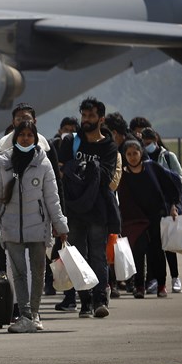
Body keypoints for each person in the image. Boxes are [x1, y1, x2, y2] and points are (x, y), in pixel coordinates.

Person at [0, 121, 68, 333]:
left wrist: (61, 226)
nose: (26, 138)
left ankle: (35, 314)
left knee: (38, 272)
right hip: (10, 227)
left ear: (36, 138)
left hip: (38, 226)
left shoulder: (44, 163)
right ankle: (25, 314)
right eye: (22, 135)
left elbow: (52, 199)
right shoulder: (4, 164)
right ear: (15, 138)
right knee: (18, 273)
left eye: (30, 135)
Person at [56, 97, 120, 317]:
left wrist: (79, 170)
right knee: (77, 257)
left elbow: (106, 176)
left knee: (98, 256)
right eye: (84, 115)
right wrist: (86, 170)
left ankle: (100, 300)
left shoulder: (109, 146)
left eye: (91, 115)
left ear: (101, 119)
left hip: (97, 210)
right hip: (73, 209)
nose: (86, 119)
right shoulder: (71, 142)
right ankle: (84, 301)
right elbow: (61, 172)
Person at [117, 139, 182, 299]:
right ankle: (139, 286)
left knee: (157, 253)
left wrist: (173, 207)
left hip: (156, 217)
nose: (132, 157)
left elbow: (171, 187)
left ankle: (161, 285)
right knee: (138, 253)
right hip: (135, 220)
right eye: (129, 154)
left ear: (141, 153)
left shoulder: (153, 168)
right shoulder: (123, 175)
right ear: (125, 156)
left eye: (135, 153)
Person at [140, 127, 182, 293]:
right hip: (151, 208)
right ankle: (157, 280)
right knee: (154, 247)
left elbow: (180, 180)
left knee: (169, 245)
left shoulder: (167, 156)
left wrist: (180, 206)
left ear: (156, 140)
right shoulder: (142, 157)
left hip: (167, 206)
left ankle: (175, 278)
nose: (147, 145)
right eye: (144, 143)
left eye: (149, 142)